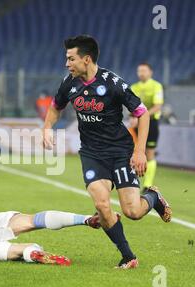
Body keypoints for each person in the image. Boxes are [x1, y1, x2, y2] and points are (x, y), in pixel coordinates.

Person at [42, 35, 172, 269]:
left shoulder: (113, 83)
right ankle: (128, 256)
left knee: (132, 211)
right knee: (102, 205)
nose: (66, 64)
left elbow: (142, 113)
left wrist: (139, 152)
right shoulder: (69, 83)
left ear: (87, 59)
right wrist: (47, 127)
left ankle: (152, 196)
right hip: (92, 154)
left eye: (71, 59)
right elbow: (55, 106)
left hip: (120, 152)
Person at [131, 63, 164, 192]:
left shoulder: (156, 86)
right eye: (139, 71)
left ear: (151, 72)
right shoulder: (134, 87)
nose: (141, 73)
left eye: (144, 70)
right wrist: (133, 117)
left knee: (149, 152)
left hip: (152, 122)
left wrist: (142, 116)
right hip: (136, 123)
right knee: (134, 152)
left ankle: (147, 184)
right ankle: (133, 181)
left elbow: (157, 106)